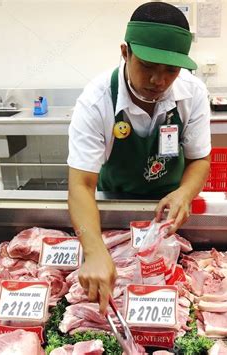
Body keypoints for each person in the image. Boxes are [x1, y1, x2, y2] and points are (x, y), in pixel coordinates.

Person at [67, 1, 211, 314]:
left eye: (170, 70)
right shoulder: (96, 100)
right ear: (125, 52)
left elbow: (200, 159)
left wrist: (185, 193)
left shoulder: (193, 93)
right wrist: (93, 251)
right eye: (147, 66)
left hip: (170, 214)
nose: (158, 81)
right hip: (114, 205)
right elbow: (80, 184)